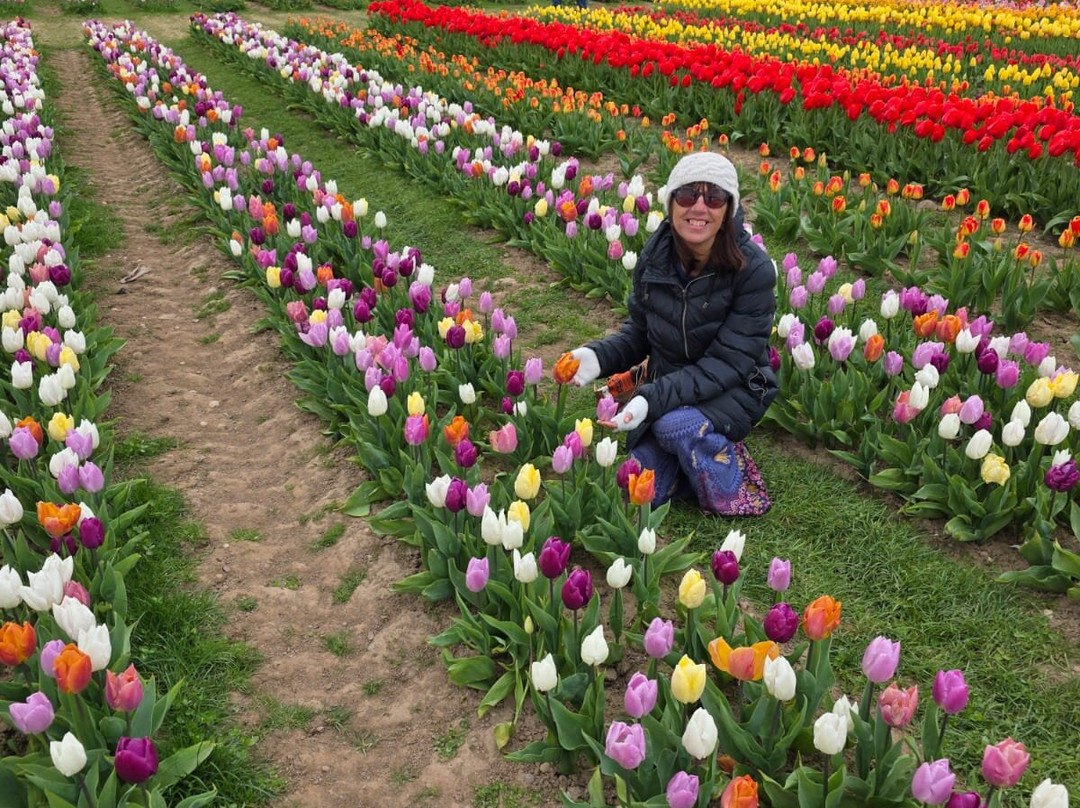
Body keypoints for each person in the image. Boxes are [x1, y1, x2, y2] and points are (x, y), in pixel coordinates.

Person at [566, 151, 778, 515]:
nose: (699, 206)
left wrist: (651, 398)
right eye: (686, 195)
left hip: (736, 386)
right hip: (670, 385)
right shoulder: (655, 256)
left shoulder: (752, 270)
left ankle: (734, 481)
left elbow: (726, 363)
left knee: (672, 425)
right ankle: (687, 465)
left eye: (713, 197)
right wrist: (598, 356)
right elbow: (641, 332)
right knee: (638, 487)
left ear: (728, 207)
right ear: (671, 202)